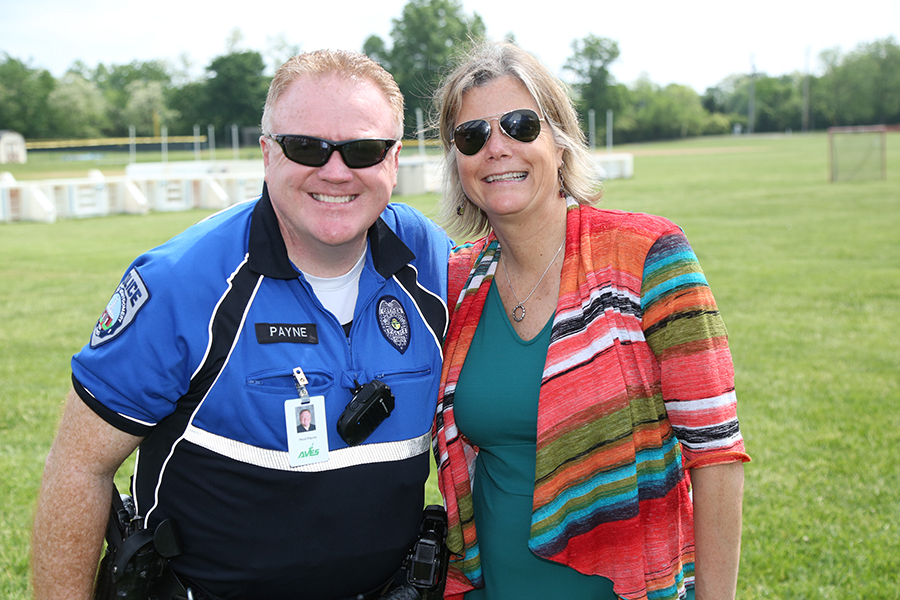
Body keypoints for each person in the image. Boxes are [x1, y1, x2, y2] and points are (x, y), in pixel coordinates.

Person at [32, 49, 451, 600]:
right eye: (306, 147)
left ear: (394, 159)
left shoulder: (434, 262)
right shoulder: (183, 283)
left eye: (363, 150)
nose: (335, 171)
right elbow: (79, 467)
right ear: (267, 154)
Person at [431, 42, 749, 600]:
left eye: (519, 125)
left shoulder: (647, 253)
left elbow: (717, 455)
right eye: (472, 136)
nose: (496, 149)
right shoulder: (458, 283)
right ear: (457, 161)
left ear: (559, 140)